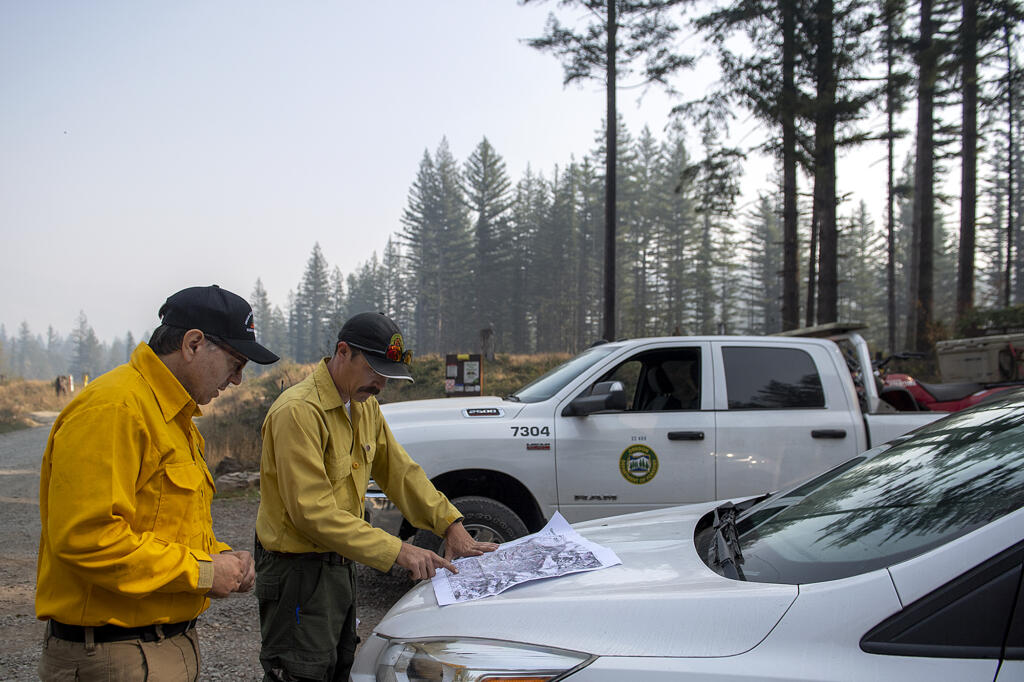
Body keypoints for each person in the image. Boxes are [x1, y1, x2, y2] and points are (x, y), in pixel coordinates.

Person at [35, 284, 280, 681]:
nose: (237, 380)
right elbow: (87, 538)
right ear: (193, 344)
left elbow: (161, 525)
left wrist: (221, 558)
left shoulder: (173, 418)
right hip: (114, 655)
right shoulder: (115, 409)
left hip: (160, 648)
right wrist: (203, 571)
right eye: (236, 362)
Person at [255, 311, 498, 682]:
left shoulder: (364, 406)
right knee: (302, 671)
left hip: (341, 564)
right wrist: (399, 550)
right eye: (374, 370)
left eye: (387, 375)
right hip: (298, 574)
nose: (381, 383)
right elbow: (312, 513)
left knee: (340, 665)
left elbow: (400, 472)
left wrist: (451, 525)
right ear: (342, 352)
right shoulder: (298, 413)